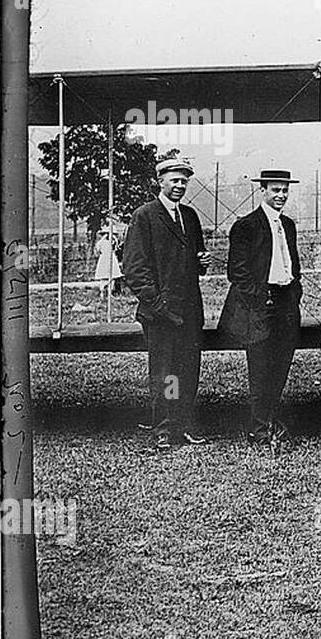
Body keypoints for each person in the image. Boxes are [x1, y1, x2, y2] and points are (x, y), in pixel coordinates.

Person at [121, 157, 209, 451]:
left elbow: (194, 259)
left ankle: (184, 424)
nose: (180, 186)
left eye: (184, 181)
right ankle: (163, 428)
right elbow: (134, 268)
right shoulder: (144, 216)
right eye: (174, 180)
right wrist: (157, 304)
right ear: (160, 181)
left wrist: (202, 262)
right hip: (160, 314)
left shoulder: (190, 216)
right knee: (166, 372)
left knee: (188, 368)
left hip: (189, 311)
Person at [220, 169, 303, 445]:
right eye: (275, 190)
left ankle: (271, 419)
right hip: (259, 307)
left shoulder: (288, 225)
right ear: (262, 191)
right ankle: (259, 429)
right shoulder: (246, 226)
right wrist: (261, 296)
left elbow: (293, 265)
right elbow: (237, 272)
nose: (280, 195)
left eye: (284, 190)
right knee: (261, 368)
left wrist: (293, 292)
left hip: (286, 305)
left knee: (280, 366)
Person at [93, 222, 124, 293]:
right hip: (104, 258)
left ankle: (110, 292)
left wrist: (113, 237)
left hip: (111, 258)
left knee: (112, 276)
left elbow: (116, 245)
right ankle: (102, 291)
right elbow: (98, 249)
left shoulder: (112, 242)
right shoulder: (101, 242)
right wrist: (105, 237)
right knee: (104, 276)